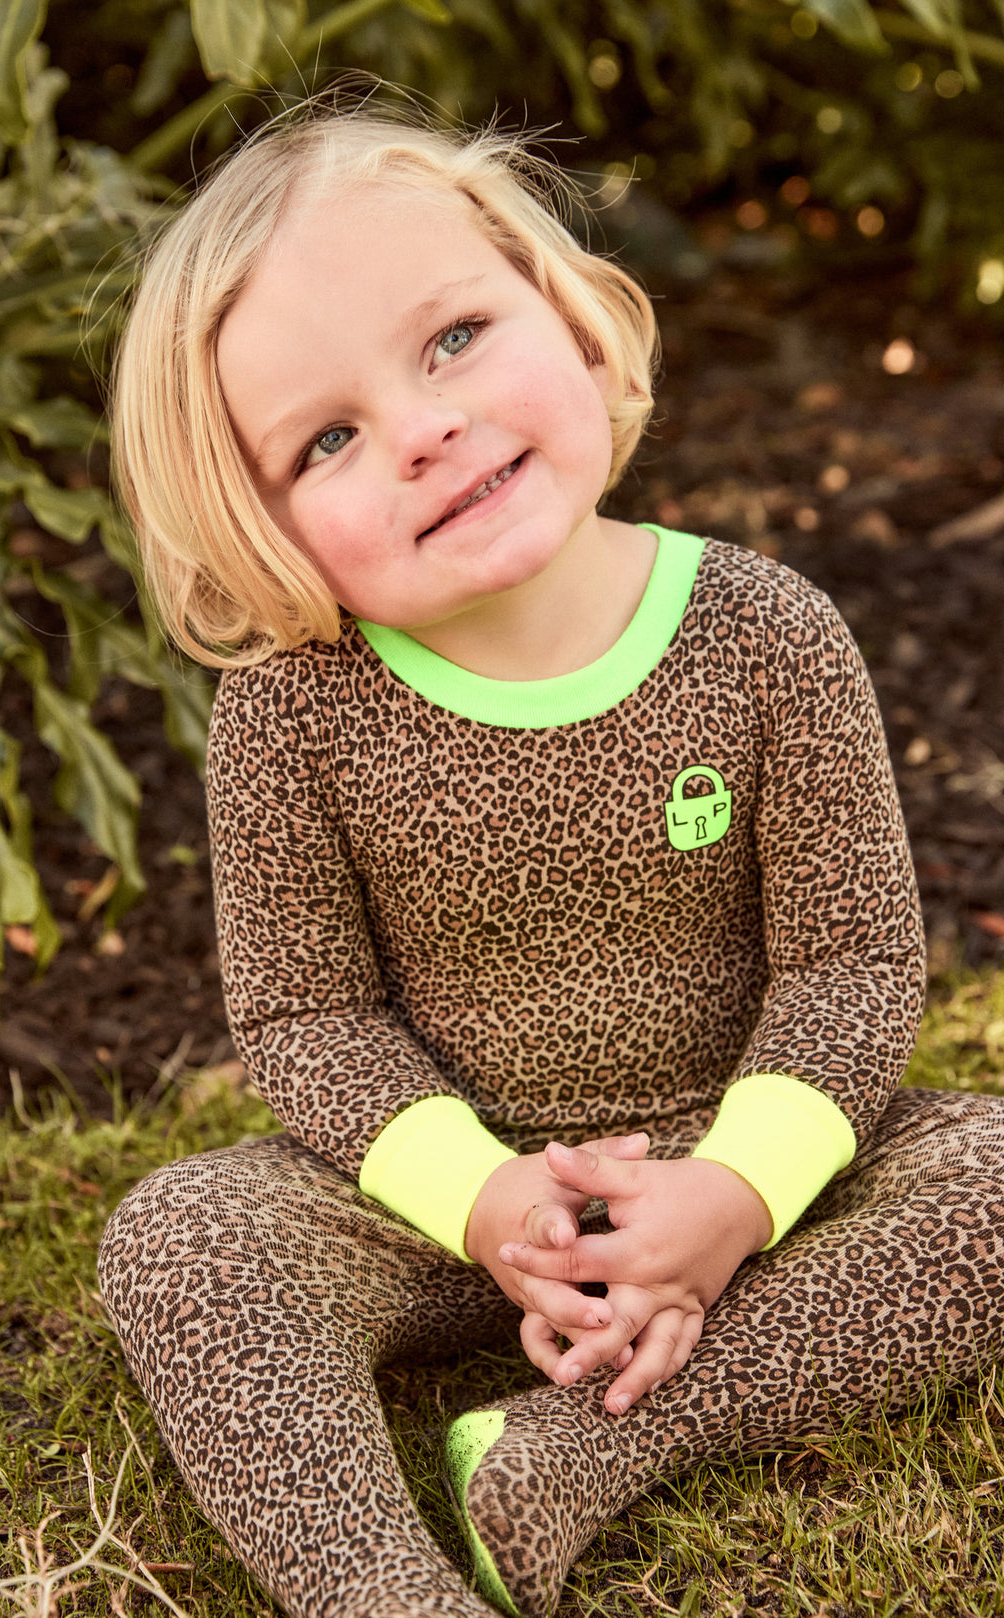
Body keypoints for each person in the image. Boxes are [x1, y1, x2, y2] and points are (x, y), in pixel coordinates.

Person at [98, 101, 1004, 1618]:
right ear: (261, 529)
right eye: (327, 439)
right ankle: (390, 1596)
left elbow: (849, 965)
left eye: (453, 339)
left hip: (732, 1160)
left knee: (996, 1180)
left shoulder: (766, 635)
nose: (422, 429)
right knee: (180, 1245)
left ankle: (569, 1451)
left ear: (572, 318)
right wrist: (483, 1198)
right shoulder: (291, 713)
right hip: (437, 1210)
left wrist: (735, 1194)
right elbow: (305, 1015)